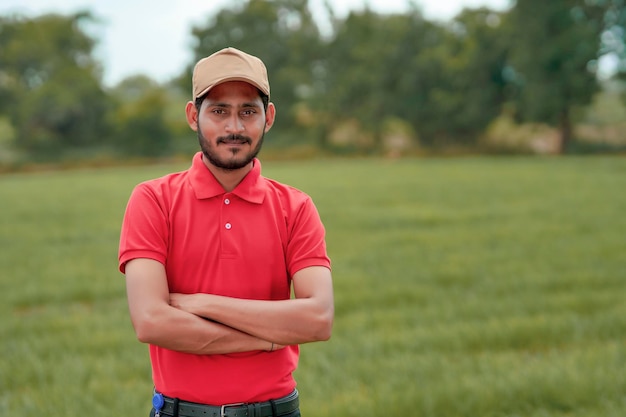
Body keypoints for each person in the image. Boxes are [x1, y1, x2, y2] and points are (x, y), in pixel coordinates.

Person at [118, 47, 334, 417]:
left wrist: (200, 303)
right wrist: (268, 339)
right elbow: (152, 321)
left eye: (247, 111)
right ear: (192, 115)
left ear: (268, 118)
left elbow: (317, 319)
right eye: (219, 111)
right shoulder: (153, 199)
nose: (234, 127)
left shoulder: (295, 207)